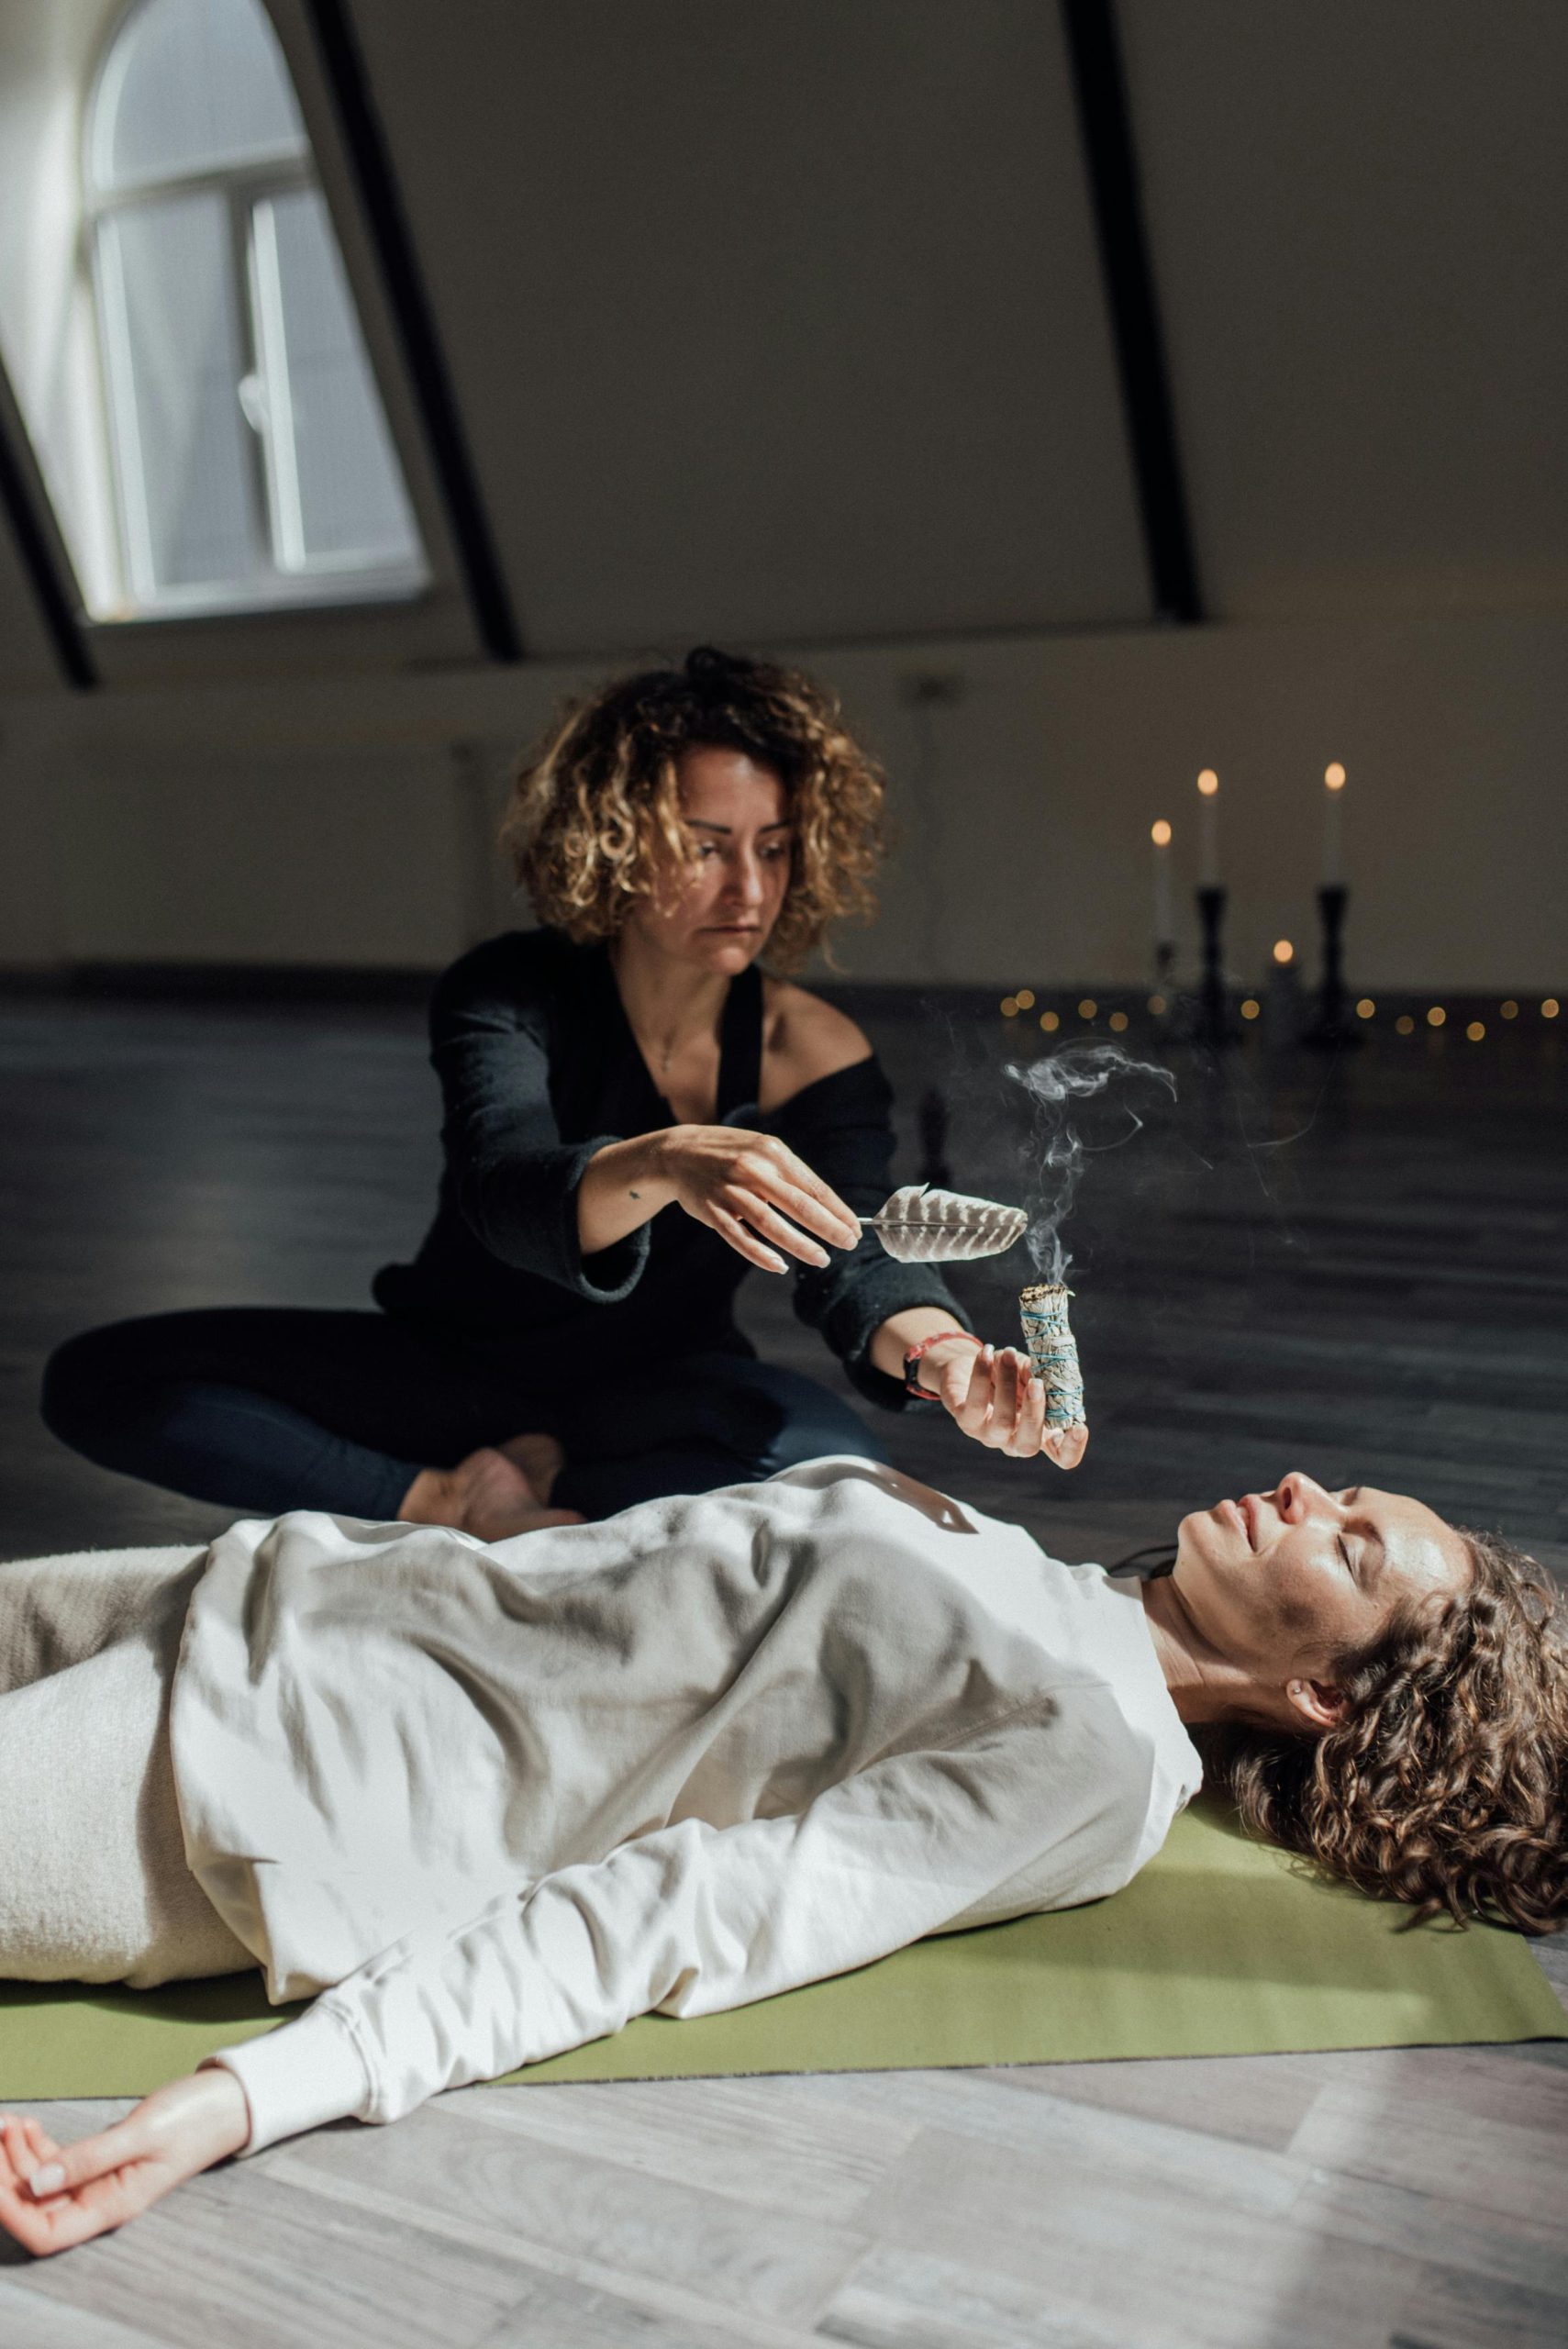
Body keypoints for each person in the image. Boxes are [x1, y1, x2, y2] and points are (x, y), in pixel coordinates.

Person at [0, 1448, 1562, 2254]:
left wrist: (244, 2103)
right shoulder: (1035, 1571)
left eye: (1342, 1545)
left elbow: (680, 1916)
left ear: (1313, 1697)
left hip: (239, 1787)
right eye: (1344, 1495)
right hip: (269, 1593)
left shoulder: (1095, 1759)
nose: (1301, 1493)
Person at [39, 647, 1063, 1538]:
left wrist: (944, 1358)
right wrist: (664, 1160)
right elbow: (503, 1187)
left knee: (826, 1462)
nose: (748, 890)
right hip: (447, 1369)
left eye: (773, 846)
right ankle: (445, 1503)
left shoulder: (810, 1046)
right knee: (100, 1381)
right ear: (617, 837)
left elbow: (856, 1254)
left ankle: (539, 1490)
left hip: (652, 1387)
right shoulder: (508, 991)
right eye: (706, 846)